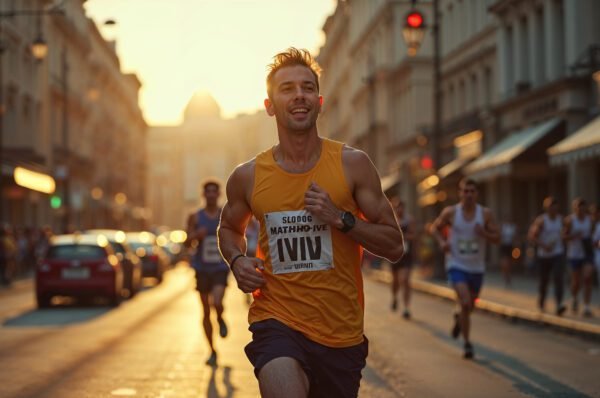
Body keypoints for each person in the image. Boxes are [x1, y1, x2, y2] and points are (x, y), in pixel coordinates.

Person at [217, 48, 404, 398]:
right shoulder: (248, 176)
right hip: (276, 320)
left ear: (319, 102)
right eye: (287, 88)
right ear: (270, 105)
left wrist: (341, 219)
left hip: (340, 333)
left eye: (307, 87)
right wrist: (237, 259)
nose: (299, 95)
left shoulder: (353, 165)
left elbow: (394, 245)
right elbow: (229, 228)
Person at [431, 178, 499, 359]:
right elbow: (434, 228)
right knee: (466, 301)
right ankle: (468, 344)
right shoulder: (451, 213)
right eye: (465, 191)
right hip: (456, 264)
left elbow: (497, 237)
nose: (468, 195)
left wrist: (484, 233)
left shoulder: (485, 214)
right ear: (460, 193)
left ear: (477, 194)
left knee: (468, 308)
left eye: (472, 191)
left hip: (477, 267)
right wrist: (442, 242)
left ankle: (458, 317)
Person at [186, 179, 230, 366]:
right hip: (202, 268)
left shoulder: (225, 215)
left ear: (219, 194)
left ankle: (220, 317)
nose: (211, 194)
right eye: (208, 192)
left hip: (220, 267)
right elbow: (186, 242)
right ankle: (212, 350)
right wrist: (196, 236)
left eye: (214, 191)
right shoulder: (195, 217)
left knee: (217, 302)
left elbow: (237, 235)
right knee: (205, 311)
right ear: (203, 195)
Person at [528, 196, 567, 315]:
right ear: (546, 208)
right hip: (544, 255)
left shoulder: (561, 220)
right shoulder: (542, 221)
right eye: (550, 207)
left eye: (555, 207)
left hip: (557, 253)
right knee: (544, 280)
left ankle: (559, 304)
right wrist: (544, 245)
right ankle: (542, 300)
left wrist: (565, 237)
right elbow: (532, 236)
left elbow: (566, 232)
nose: (553, 210)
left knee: (558, 277)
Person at [563, 198, 594, 317]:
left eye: (583, 209)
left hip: (586, 253)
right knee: (576, 281)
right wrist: (573, 236)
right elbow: (564, 236)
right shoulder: (570, 220)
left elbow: (592, 235)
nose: (581, 211)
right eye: (578, 209)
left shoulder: (589, 221)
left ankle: (586, 306)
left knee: (587, 277)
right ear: (574, 209)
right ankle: (575, 297)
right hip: (574, 254)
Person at [389, 198, 416, 319]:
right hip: (394, 254)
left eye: (401, 206)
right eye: (396, 207)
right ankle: (394, 297)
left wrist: (402, 235)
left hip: (406, 255)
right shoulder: (391, 220)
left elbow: (413, 235)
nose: (399, 209)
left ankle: (406, 308)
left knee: (405, 280)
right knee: (395, 281)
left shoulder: (409, 220)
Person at [499, 217, 517, 287]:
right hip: (504, 246)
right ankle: (505, 275)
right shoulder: (503, 226)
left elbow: (516, 237)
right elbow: (499, 235)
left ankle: (508, 275)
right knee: (504, 262)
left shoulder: (513, 227)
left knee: (510, 262)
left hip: (511, 246)